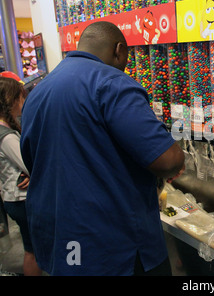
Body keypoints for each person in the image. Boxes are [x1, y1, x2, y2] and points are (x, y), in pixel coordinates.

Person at [20, 21, 185, 276]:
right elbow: (166, 159)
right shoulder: (111, 83)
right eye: (126, 58)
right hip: (113, 246)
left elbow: (33, 159)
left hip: (60, 237)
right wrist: (176, 155)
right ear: (119, 50)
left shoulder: (37, 92)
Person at [0, 76, 41, 276]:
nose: (23, 103)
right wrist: (34, 173)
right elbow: (30, 164)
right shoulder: (6, 136)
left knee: (32, 248)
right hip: (20, 200)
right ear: (11, 100)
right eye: (21, 98)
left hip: (15, 198)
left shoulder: (7, 130)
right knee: (34, 250)